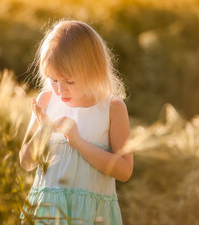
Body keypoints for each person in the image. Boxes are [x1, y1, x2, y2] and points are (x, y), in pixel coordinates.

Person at [19, 20, 133, 225]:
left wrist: (79, 143)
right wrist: (44, 130)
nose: (60, 89)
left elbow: (124, 170)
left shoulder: (112, 108)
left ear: (93, 72)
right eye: (53, 80)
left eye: (69, 81)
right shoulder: (46, 101)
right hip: (47, 213)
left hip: (91, 217)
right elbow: (26, 162)